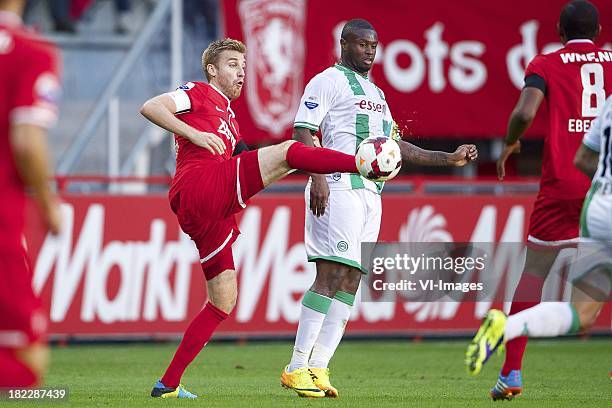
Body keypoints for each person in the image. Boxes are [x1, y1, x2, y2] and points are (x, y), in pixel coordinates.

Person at [140, 38, 370, 399]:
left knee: (223, 300)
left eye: (243, 66)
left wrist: (303, 167)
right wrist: (192, 133)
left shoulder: (229, 118)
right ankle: (359, 163)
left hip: (206, 211)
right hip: (200, 186)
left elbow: (254, 158)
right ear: (213, 70)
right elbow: (151, 106)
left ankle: (167, 384)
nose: (241, 72)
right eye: (232, 64)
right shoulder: (198, 92)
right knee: (289, 151)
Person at [281, 18, 478, 398]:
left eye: (374, 44)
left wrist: (448, 158)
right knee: (332, 273)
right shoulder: (328, 81)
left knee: (351, 279)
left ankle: (319, 366)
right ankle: (295, 366)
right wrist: (317, 176)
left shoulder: (377, 94)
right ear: (344, 44)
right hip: (337, 186)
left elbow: (397, 146)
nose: (370, 50)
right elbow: (303, 131)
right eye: (362, 44)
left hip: (371, 194)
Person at [471, 0, 611, 400]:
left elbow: (526, 110)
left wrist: (512, 139)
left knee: (533, 275)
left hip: (562, 185)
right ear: (599, 31)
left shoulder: (546, 63)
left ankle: (511, 372)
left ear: (560, 32)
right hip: (605, 186)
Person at [0, 0, 63, 388]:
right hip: (3, 220)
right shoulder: (29, 52)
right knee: (27, 370)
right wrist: (48, 203)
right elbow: (26, 140)